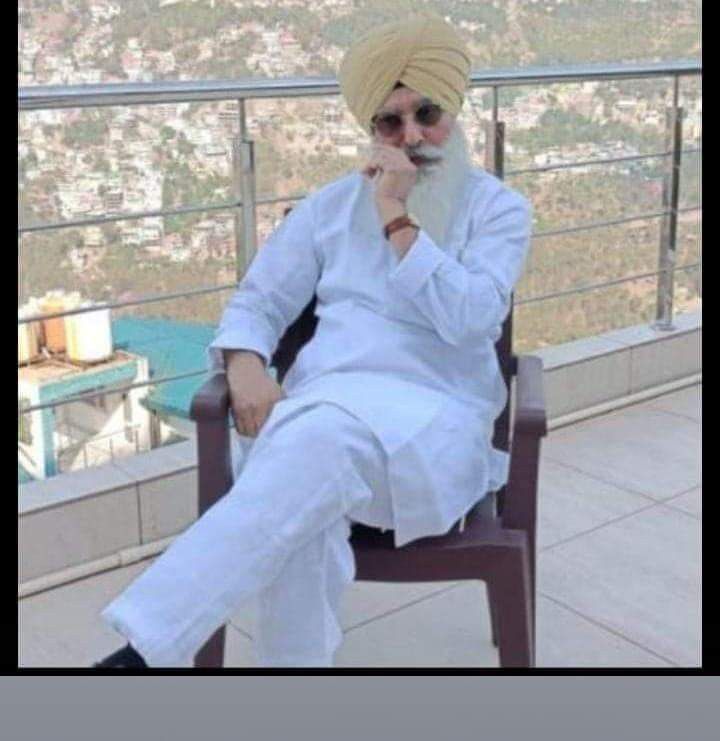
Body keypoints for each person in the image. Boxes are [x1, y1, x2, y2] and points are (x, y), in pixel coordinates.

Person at [95, 11, 533, 669]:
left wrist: (397, 218)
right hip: (323, 421)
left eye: (428, 113)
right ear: (370, 130)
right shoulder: (328, 209)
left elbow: (471, 318)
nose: (413, 136)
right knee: (306, 494)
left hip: (435, 427)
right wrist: (244, 364)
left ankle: (142, 652)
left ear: (457, 111)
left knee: (304, 449)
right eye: (391, 121)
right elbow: (260, 300)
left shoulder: (500, 210)